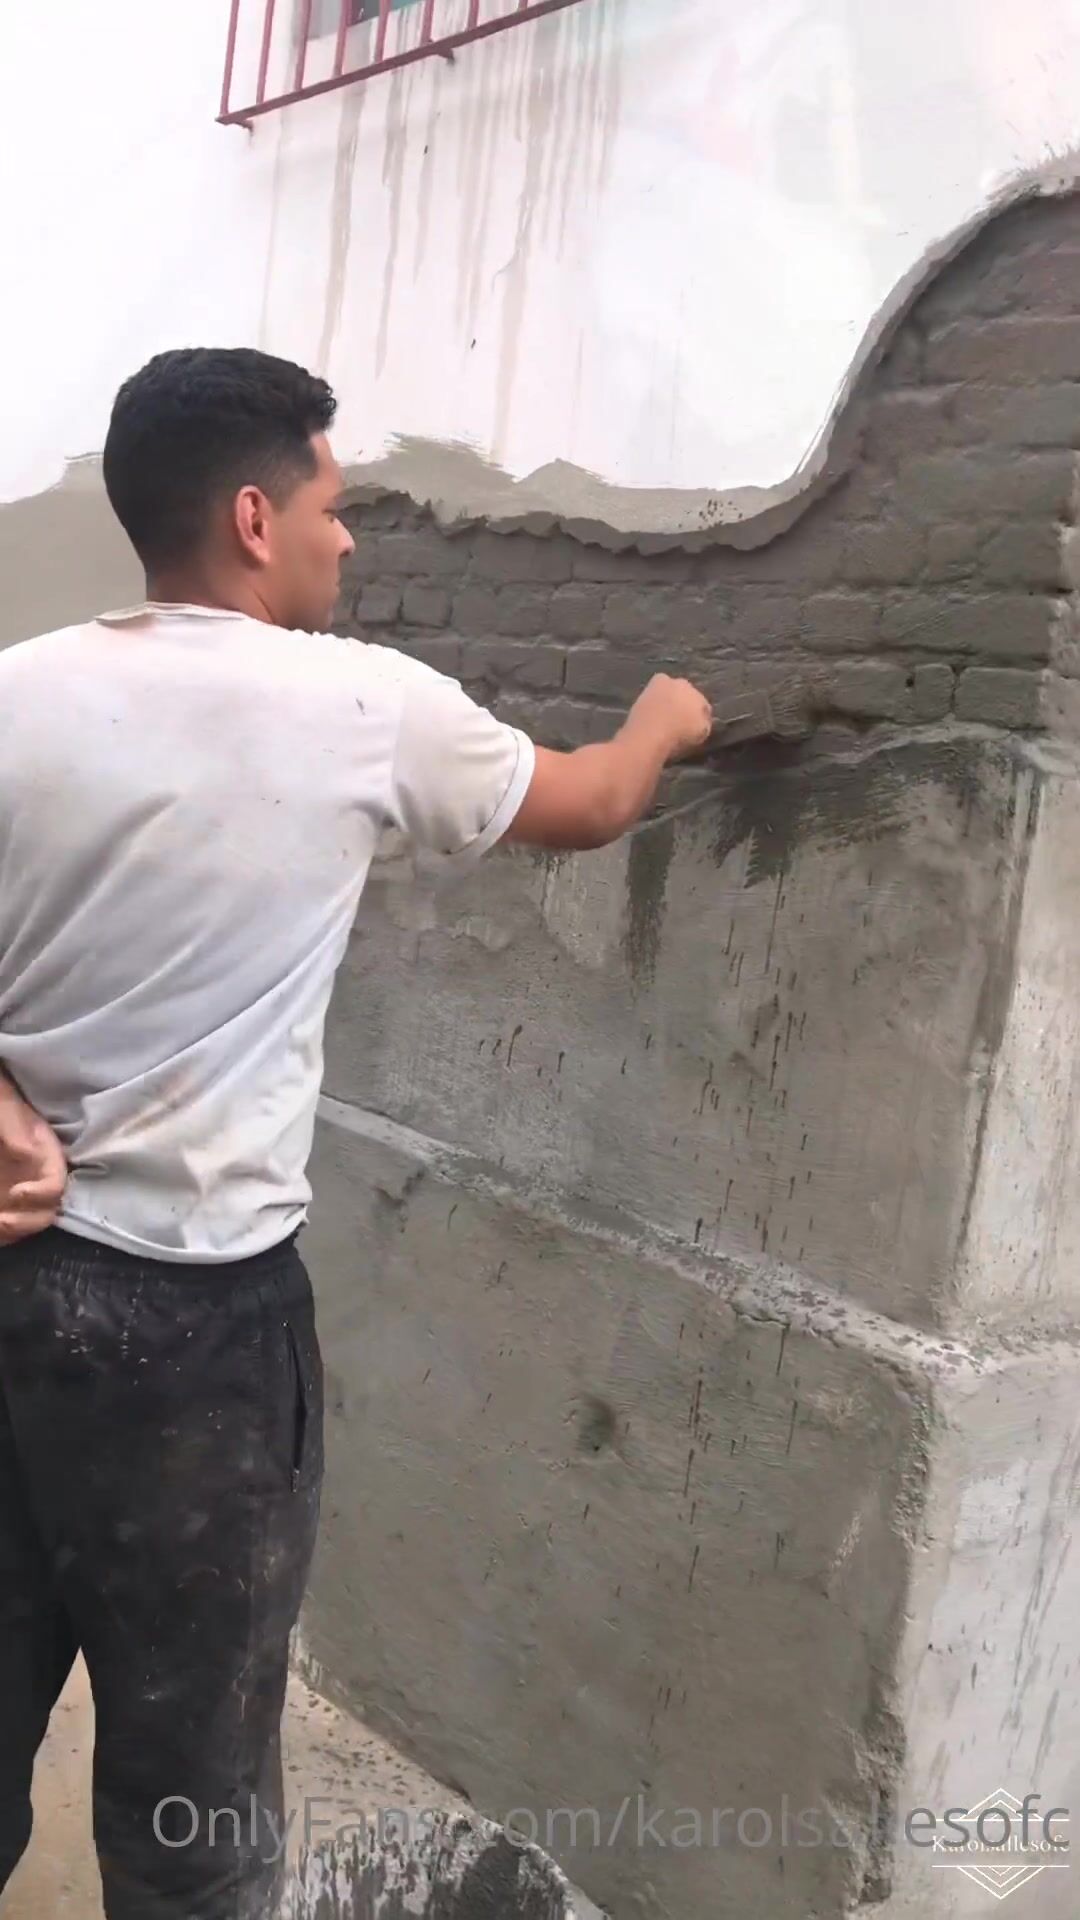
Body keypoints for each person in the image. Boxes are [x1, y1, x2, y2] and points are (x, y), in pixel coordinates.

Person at [0, 347, 712, 1918]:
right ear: (254, 518)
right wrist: (666, 719)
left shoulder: (16, 689)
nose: (350, 538)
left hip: (16, 1285)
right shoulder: (363, 705)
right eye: (336, 505)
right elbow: (591, 803)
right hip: (196, 1341)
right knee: (192, 1798)